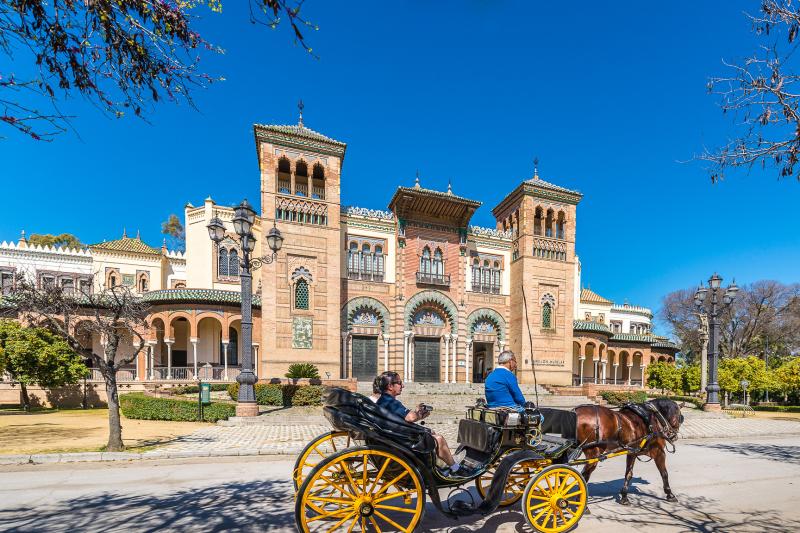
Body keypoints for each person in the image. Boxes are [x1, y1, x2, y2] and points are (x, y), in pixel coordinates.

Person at [375, 371, 474, 476]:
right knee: (439, 439)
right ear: (390, 386)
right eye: (399, 383)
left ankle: (439, 463)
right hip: (401, 442)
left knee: (431, 433)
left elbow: (401, 419)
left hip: (394, 437)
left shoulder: (382, 401)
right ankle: (455, 468)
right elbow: (411, 417)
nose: (402, 385)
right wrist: (418, 414)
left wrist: (418, 414)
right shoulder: (390, 402)